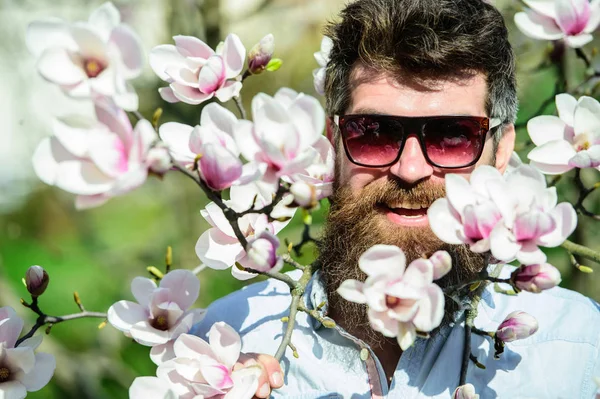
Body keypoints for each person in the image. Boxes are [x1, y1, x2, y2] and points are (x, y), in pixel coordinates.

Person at [192, 0, 600, 397]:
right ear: (334, 143)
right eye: (372, 132)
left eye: (452, 135)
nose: (409, 169)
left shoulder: (576, 351)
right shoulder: (227, 343)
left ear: (501, 152)